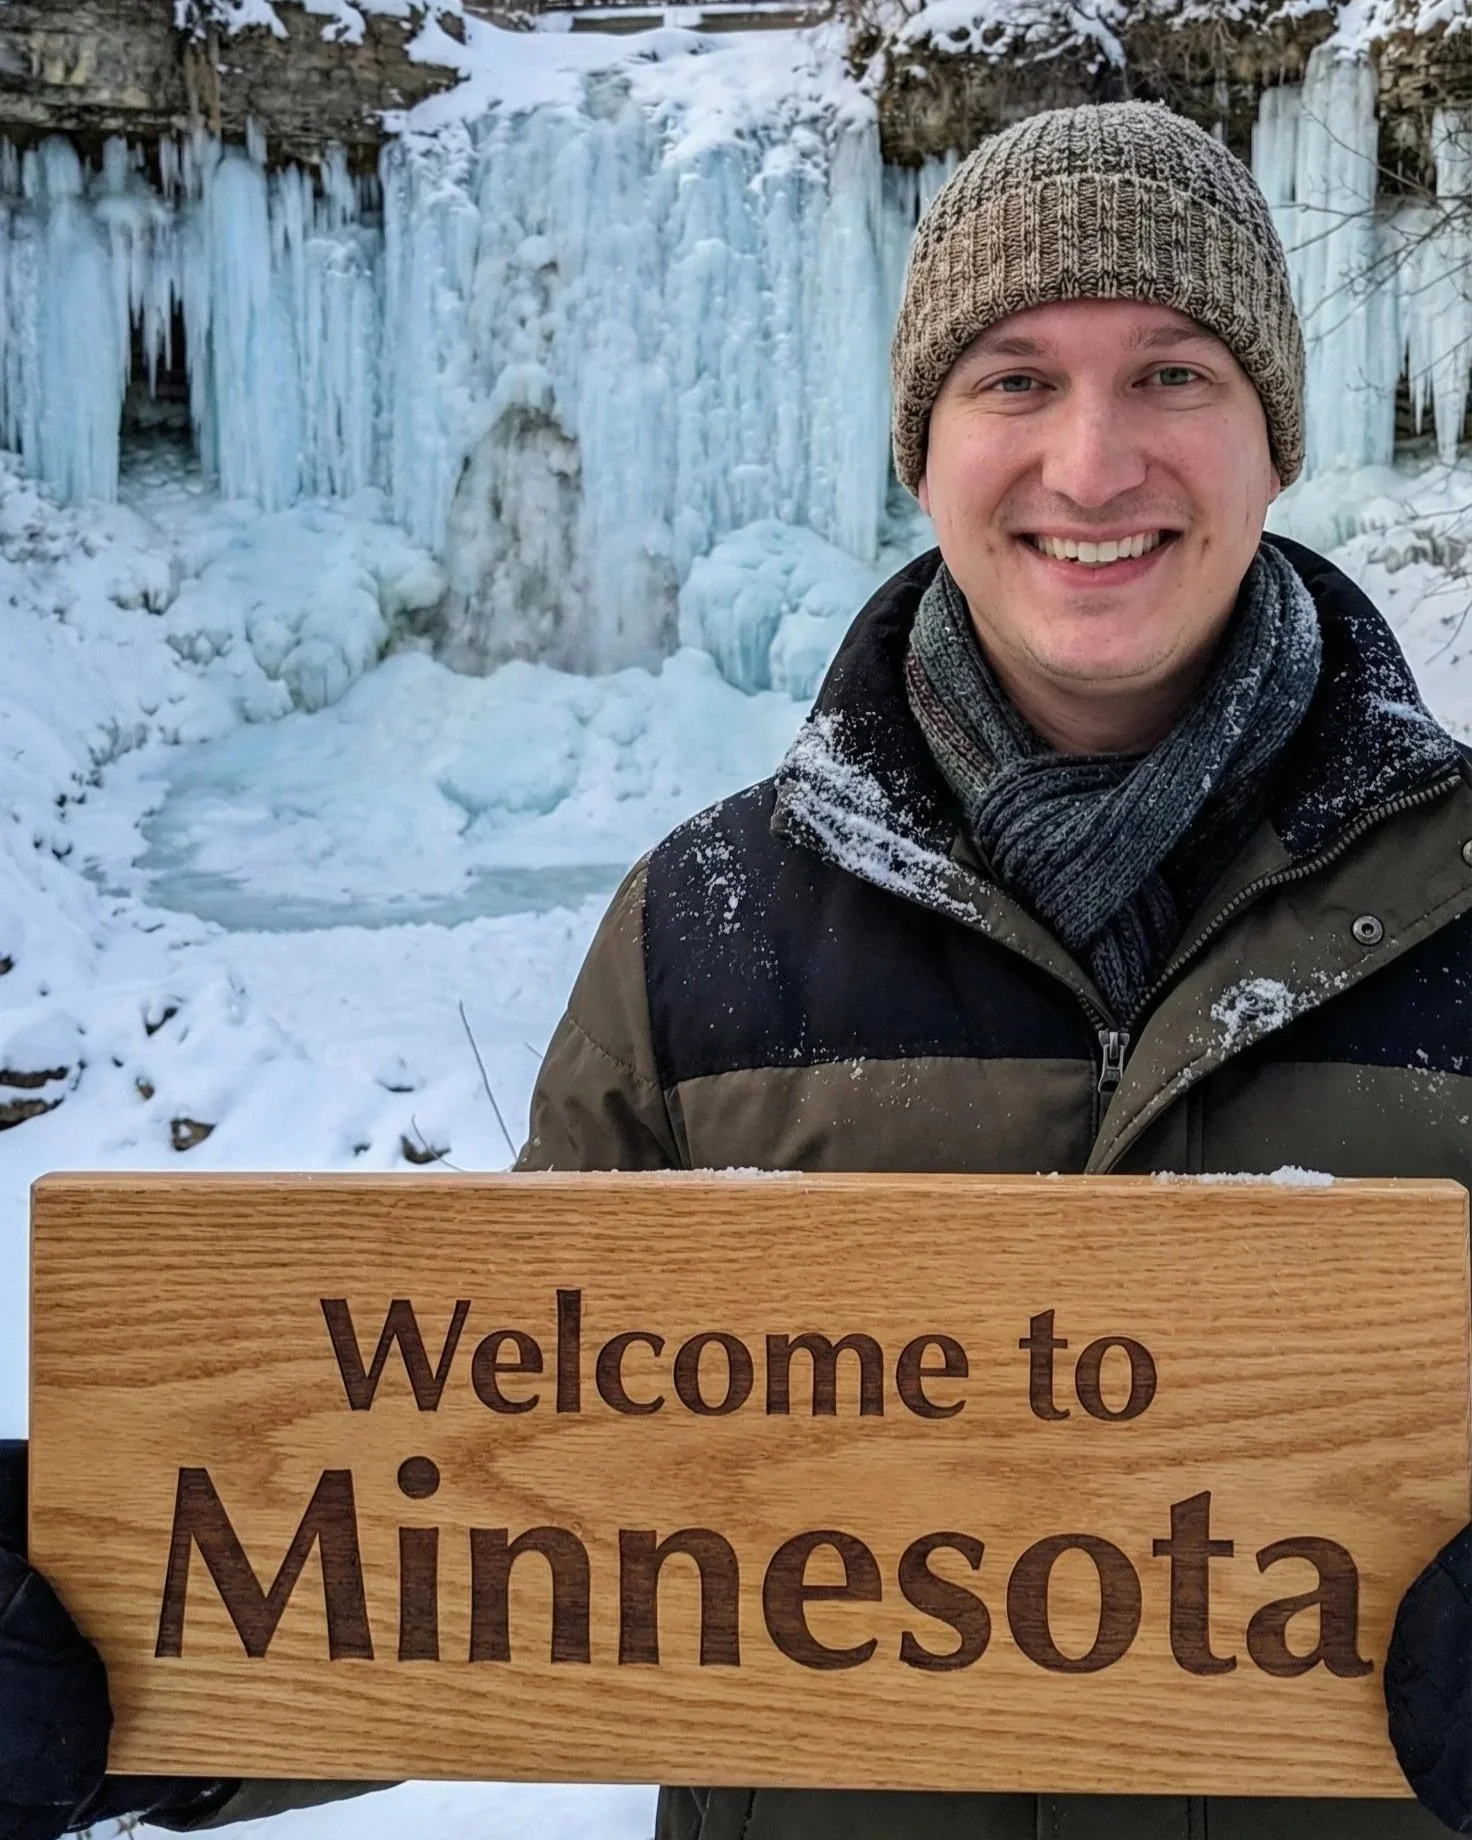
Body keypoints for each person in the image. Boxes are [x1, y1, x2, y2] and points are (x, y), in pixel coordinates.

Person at [1, 100, 1469, 1840]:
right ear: (919, 448)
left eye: (1174, 375)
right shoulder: (696, 937)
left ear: (1275, 438)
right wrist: (113, 1651)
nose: (1091, 464)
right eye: (1012, 378)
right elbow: (505, 1514)